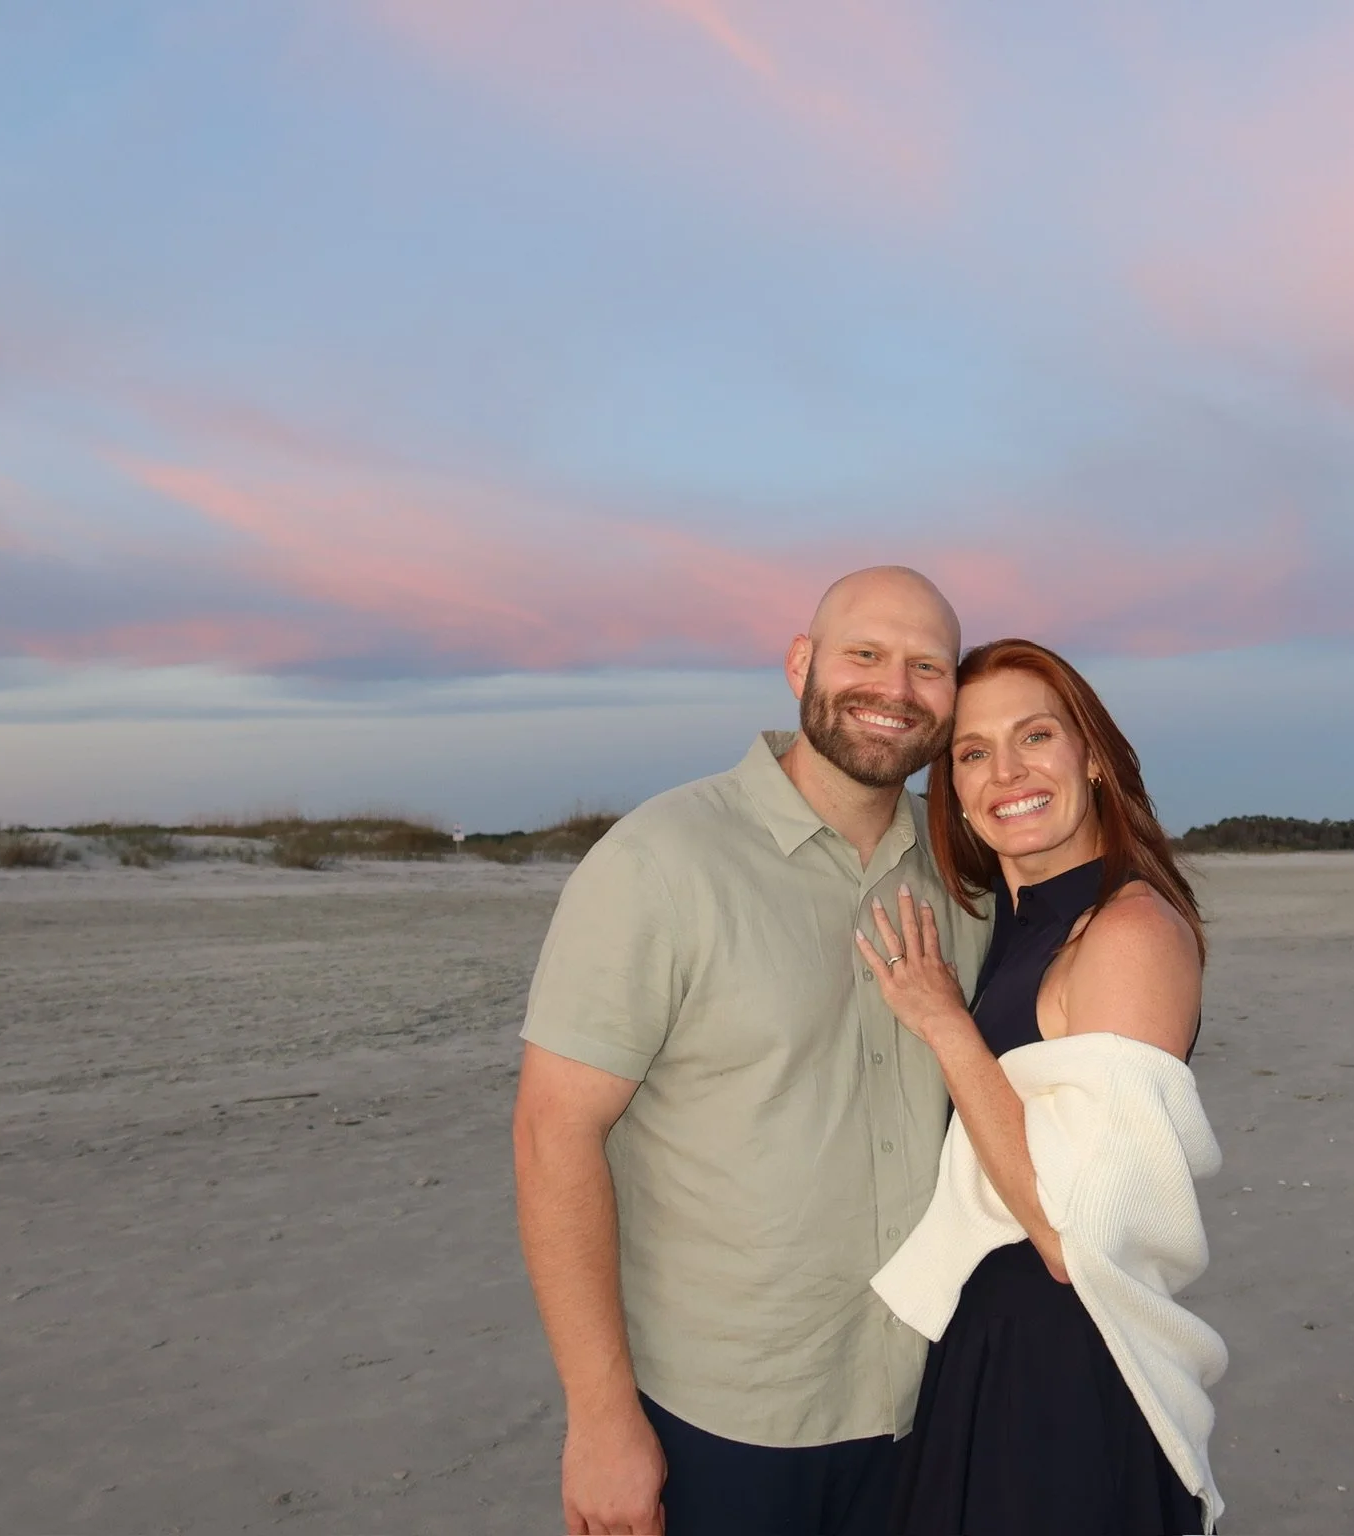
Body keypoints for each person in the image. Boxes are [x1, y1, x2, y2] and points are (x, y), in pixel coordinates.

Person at [511, 566, 991, 1536]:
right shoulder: (660, 861)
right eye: (865, 654)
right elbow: (552, 1135)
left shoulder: (966, 871)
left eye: (927, 666)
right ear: (801, 664)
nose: (894, 688)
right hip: (723, 1417)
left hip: (927, 1402)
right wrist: (601, 1419)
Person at [859, 638, 1225, 1535]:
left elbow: (1072, 1234)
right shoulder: (1021, 924)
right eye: (972, 753)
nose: (1006, 773)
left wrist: (946, 1025)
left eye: (1035, 737)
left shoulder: (1127, 933)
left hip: (1064, 1376)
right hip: (992, 1350)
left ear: (1091, 755)